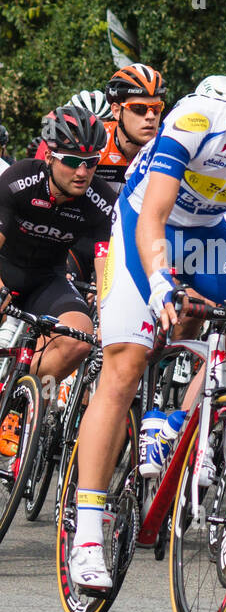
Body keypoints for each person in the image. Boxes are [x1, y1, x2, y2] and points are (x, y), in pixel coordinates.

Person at [69, 30, 226, 589]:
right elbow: (153, 216)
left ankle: (182, 421)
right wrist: (160, 284)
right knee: (126, 364)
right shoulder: (193, 120)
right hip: (142, 233)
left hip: (210, 239)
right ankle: (88, 528)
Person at [0, 106, 109, 453]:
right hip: (4, 267)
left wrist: (107, 317)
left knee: (80, 339)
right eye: (72, 161)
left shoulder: (100, 201)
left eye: (91, 162)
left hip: (47, 279)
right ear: (49, 155)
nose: (82, 171)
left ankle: (20, 399)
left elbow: (107, 266)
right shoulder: (19, 179)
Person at [98, 64, 167, 194]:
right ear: (117, 111)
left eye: (157, 108)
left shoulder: (167, 148)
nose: (151, 116)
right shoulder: (96, 141)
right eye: (139, 109)